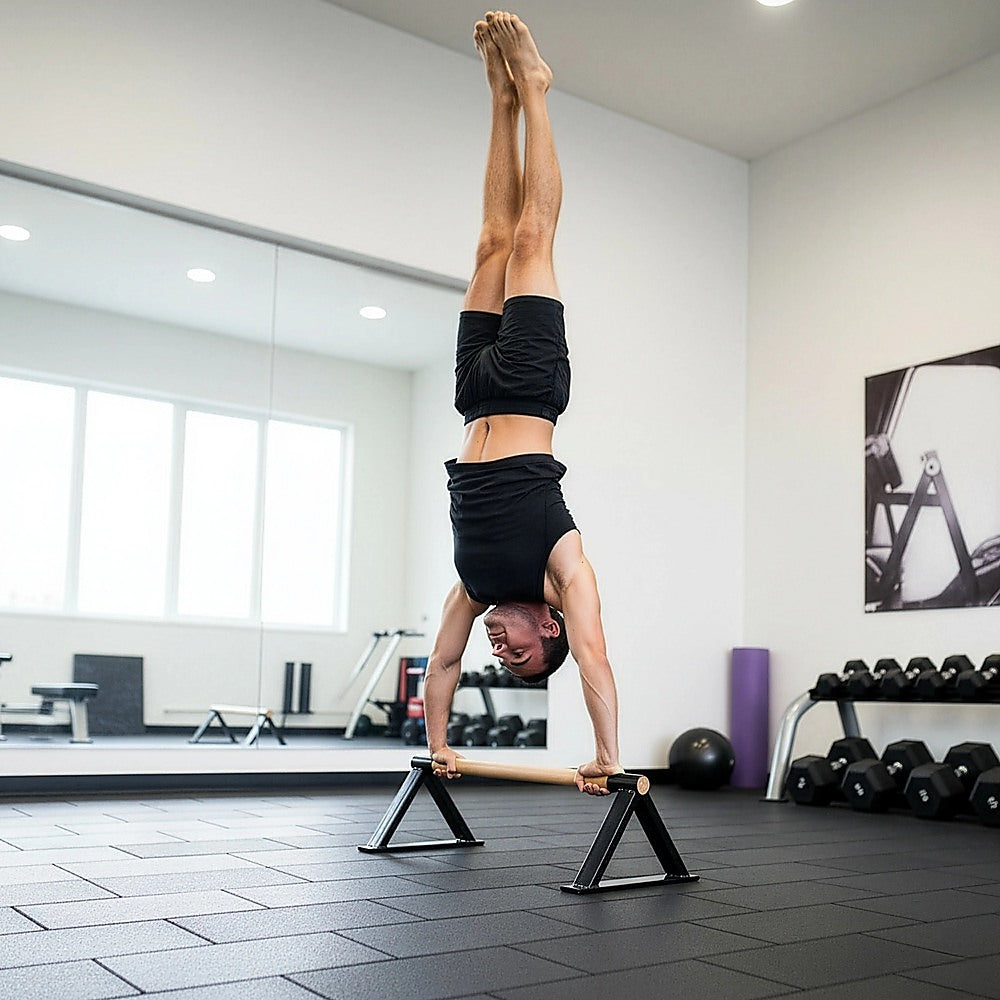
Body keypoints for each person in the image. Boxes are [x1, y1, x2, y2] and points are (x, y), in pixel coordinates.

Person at [423, 12, 620, 796]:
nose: (501, 653)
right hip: (533, 387)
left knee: (490, 244)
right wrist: (608, 753)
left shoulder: (474, 586)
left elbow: (442, 661)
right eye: (523, 656)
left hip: (473, 396)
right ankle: (535, 88)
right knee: (533, 239)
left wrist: (439, 744)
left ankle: (500, 101)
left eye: (502, 659)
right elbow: (594, 657)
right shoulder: (561, 568)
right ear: (549, 626)